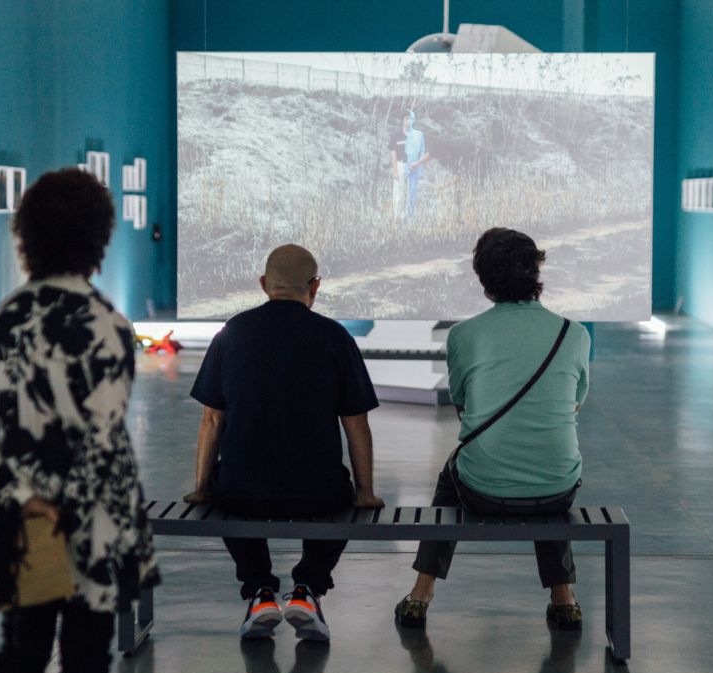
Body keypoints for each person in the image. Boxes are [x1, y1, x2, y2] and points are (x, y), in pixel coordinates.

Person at [0, 168, 159, 673]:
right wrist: (72, 504)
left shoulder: (0, 322)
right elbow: (102, 438)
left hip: (24, 529)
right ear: (99, 237)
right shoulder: (108, 324)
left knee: (21, 656)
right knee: (87, 658)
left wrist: (24, 499)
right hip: (97, 526)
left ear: (28, 236)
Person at [394, 227, 591, 632]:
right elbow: (573, 404)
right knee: (545, 465)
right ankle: (564, 597)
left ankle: (421, 594)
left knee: (450, 478)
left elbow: (464, 406)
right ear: (536, 273)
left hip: (482, 489)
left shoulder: (463, 335)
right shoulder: (574, 334)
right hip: (557, 487)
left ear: (484, 282)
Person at [185, 244, 384, 642]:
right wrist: (365, 492)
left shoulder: (232, 332)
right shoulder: (335, 336)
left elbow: (212, 419)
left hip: (243, 494)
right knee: (343, 493)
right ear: (315, 287)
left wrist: (203, 488)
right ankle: (308, 588)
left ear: (263, 284)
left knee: (226, 486)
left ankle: (259, 590)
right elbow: (356, 424)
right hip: (318, 495)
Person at [390, 110, 431, 217]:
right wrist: (395, 171)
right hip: (401, 165)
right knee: (399, 192)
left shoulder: (419, 135)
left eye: (411, 118)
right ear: (402, 120)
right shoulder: (396, 135)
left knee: (412, 192)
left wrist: (420, 169)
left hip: (414, 167)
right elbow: (393, 154)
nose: (409, 121)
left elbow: (421, 152)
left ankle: (410, 217)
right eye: (407, 118)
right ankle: (397, 217)